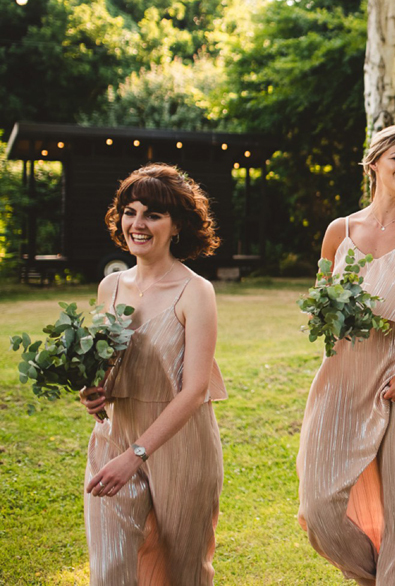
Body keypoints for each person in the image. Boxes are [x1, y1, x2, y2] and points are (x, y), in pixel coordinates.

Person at [297, 125, 395, 586]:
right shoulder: (339, 231)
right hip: (342, 379)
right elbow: (322, 304)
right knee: (319, 505)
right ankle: (378, 578)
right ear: (373, 165)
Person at [80, 163, 225, 584]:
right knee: (109, 571)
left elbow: (195, 389)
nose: (137, 224)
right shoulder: (111, 287)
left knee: (184, 572)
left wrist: (137, 455)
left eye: (152, 214)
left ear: (177, 225)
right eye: (130, 211)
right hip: (114, 439)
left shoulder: (194, 292)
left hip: (182, 444)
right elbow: (108, 366)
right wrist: (96, 390)